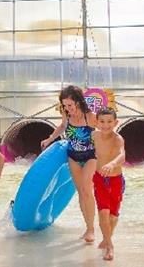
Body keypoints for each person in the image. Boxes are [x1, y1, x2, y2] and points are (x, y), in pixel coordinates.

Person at [40, 85, 98, 243]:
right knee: (80, 192)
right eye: (64, 105)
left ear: (78, 102)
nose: (67, 108)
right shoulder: (67, 116)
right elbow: (62, 127)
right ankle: (87, 227)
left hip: (91, 157)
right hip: (73, 157)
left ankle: (92, 229)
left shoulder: (90, 117)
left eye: (69, 105)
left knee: (87, 189)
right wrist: (50, 139)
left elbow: (105, 131)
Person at [91, 107, 126, 261]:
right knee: (103, 211)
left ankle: (106, 238)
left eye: (109, 122)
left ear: (116, 122)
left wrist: (112, 164)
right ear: (97, 123)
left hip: (116, 179)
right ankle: (110, 246)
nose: (106, 125)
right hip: (99, 178)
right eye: (102, 122)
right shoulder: (94, 136)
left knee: (113, 215)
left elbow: (122, 155)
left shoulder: (118, 139)